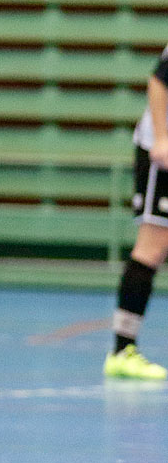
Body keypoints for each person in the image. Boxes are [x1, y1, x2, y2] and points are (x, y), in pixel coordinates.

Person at [105, 47, 168, 379]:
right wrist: (162, 138)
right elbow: (159, 83)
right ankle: (122, 350)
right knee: (152, 246)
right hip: (161, 154)